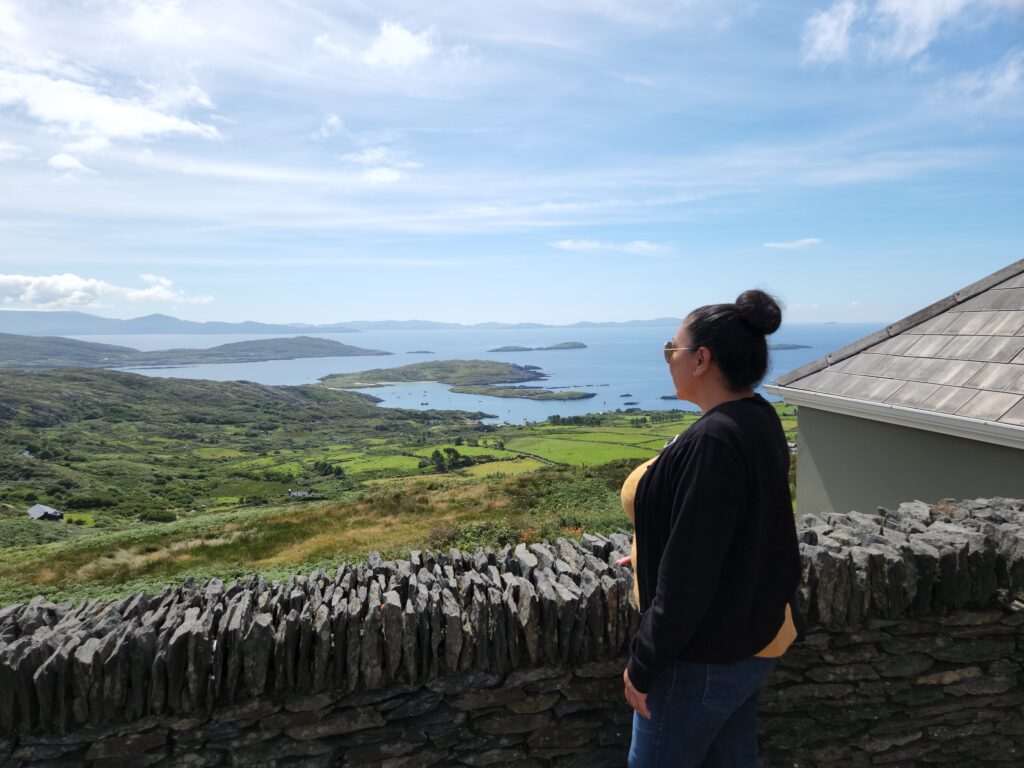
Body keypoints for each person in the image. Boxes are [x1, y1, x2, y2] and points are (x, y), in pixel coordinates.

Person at [620, 289, 801, 768]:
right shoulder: (757, 418)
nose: (667, 360)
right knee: (733, 759)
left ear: (700, 359)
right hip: (751, 639)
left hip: (702, 657)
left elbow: (690, 574)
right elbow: (730, 529)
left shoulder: (714, 441)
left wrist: (642, 666)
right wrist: (647, 549)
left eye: (670, 350)